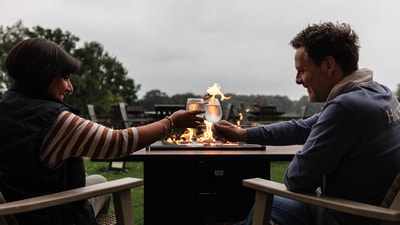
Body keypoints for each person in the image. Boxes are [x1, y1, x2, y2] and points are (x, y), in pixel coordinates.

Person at [0, 38, 204, 225]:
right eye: (65, 77)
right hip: (46, 215)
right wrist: (171, 122)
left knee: (99, 180)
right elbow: (119, 143)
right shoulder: (54, 120)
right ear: (43, 74)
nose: (70, 87)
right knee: (105, 188)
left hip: (14, 210)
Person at [212, 22, 400, 225]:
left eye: (301, 70)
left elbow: (296, 179)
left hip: (344, 215)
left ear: (328, 65)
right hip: (368, 209)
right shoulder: (379, 93)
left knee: (269, 202)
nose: (297, 80)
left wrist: (316, 174)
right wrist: (244, 134)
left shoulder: (345, 108)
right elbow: (303, 128)